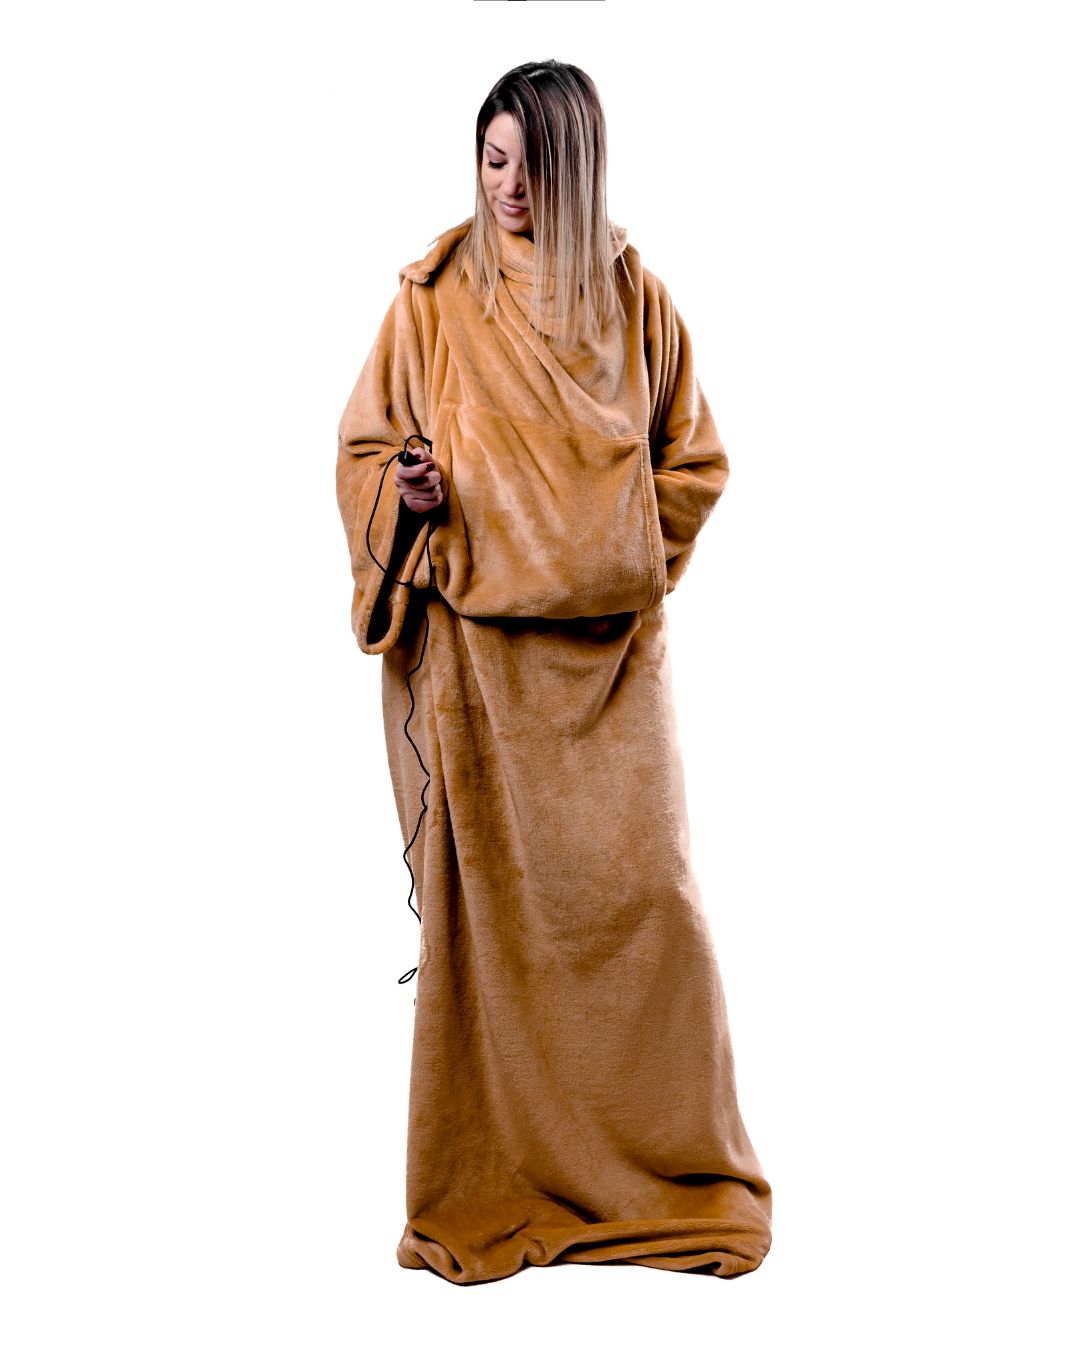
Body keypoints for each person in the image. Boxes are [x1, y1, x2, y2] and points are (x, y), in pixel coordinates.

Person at [335, 59, 772, 1285]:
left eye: (530, 165)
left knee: (648, 913)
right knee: (491, 939)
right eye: (491, 160)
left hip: (612, 675)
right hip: (479, 681)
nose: (506, 187)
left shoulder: (635, 302)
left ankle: (664, 1170)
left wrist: (607, 551)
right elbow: (364, 450)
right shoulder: (432, 299)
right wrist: (413, 498)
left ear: (578, 168)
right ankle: (503, 1173)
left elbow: (692, 463)